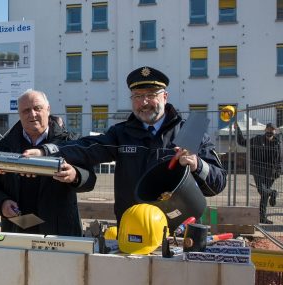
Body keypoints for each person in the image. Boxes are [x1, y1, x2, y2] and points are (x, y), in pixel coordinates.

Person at [24, 66, 227, 227]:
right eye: (137, 96)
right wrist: (46, 151)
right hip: (133, 229)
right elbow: (85, 147)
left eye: (151, 94)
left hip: (178, 230)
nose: (144, 102)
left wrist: (197, 165)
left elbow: (217, 184)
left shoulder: (189, 132)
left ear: (165, 97)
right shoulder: (122, 133)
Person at [0, 89, 96, 236]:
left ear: (48, 109)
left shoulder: (70, 142)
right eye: (26, 110)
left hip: (60, 233)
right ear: (19, 114)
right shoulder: (6, 146)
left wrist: (75, 175)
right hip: (18, 231)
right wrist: (2, 203)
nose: (32, 114)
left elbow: (90, 179)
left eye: (37, 108)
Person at [236, 122, 281, 224]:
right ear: (265, 130)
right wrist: (237, 129)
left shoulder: (277, 142)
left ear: (275, 131)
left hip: (271, 172)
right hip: (258, 169)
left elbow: (279, 158)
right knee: (262, 190)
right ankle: (273, 192)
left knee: (264, 194)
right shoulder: (257, 140)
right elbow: (242, 142)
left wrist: (278, 171)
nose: (270, 131)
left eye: (272, 130)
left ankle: (262, 217)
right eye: (268, 129)